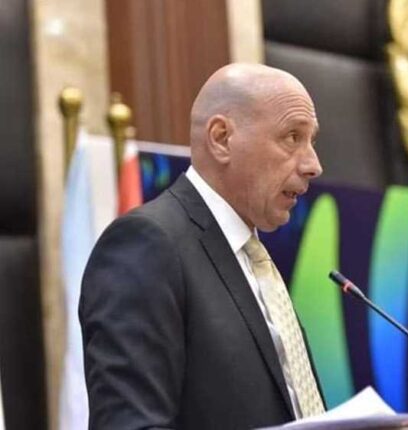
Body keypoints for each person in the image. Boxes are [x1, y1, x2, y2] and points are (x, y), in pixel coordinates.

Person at [79, 63, 325, 429]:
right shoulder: (146, 245)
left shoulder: (254, 259)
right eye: (292, 137)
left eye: (311, 141)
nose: (313, 165)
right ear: (222, 138)